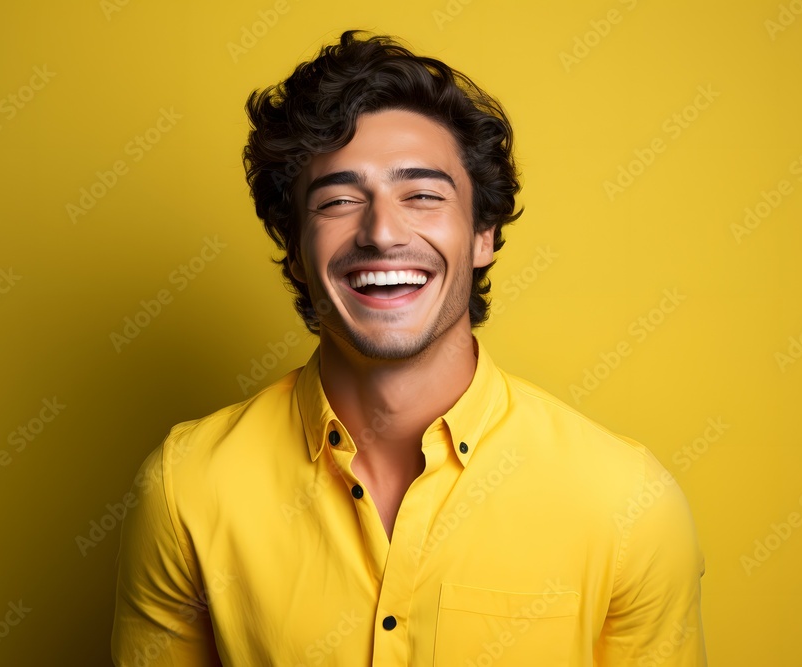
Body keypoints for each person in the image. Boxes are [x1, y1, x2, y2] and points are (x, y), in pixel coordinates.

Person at [111, 29, 707, 666]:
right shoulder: (187, 488)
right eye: (339, 199)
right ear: (294, 243)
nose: (382, 231)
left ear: (483, 233)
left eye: (422, 195)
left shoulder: (625, 501)